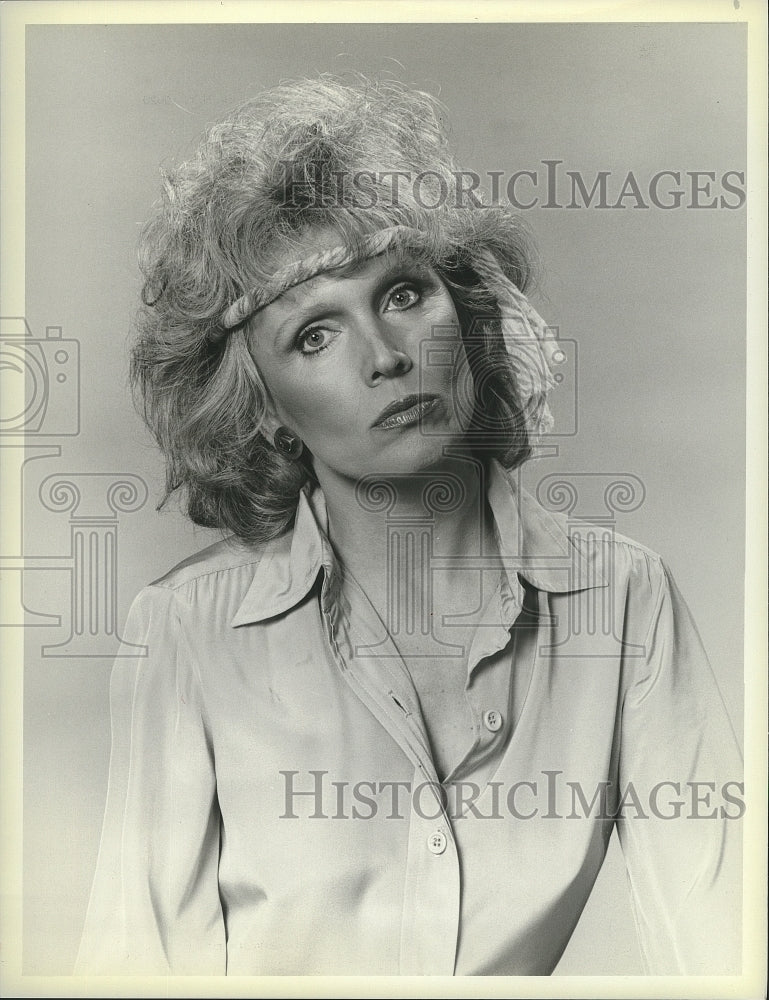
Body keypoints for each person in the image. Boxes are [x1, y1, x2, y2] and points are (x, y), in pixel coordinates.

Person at [75, 76, 743, 977]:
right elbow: (134, 972)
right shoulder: (189, 631)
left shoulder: (622, 601)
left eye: (401, 294)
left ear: (466, 315)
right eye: (315, 335)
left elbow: (725, 952)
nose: (386, 357)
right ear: (263, 409)